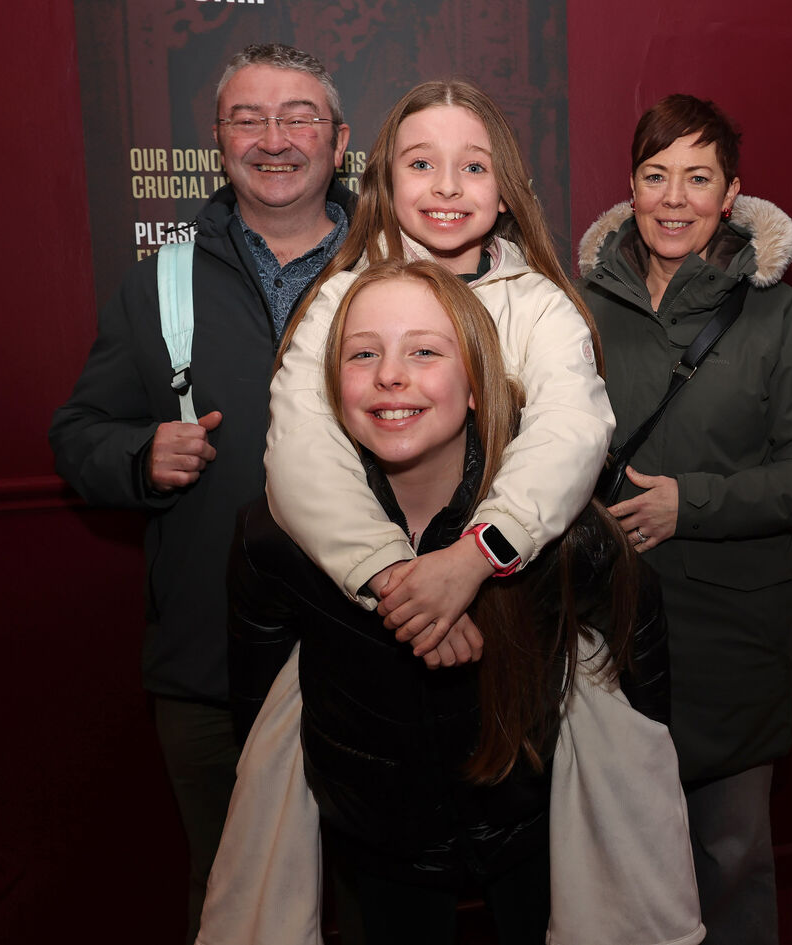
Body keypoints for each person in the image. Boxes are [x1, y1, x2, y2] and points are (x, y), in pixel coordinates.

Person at [208, 259, 698, 945]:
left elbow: (637, 656)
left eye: (425, 351)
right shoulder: (274, 537)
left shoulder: (562, 533)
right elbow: (260, 706)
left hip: (533, 832)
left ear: (475, 385)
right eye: (364, 353)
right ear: (331, 387)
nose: (390, 375)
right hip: (379, 844)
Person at [48, 44, 354, 944]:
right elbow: (78, 434)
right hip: (207, 662)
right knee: (234, 900)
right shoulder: (159, 281)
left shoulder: (403, 273)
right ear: (217, 140)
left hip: (377, 644)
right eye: (247, 119)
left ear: (338, 141)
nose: (274, 139)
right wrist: (141, 453)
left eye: (298, 116)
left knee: (378, 895)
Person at [578, 94, 792, 945]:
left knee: (730, 856)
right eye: (657, 175)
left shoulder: (775, 312)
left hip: (731, 628)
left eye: (698, 178)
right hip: (604, 623)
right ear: (630, 186)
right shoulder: (579, 305)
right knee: (611, 860)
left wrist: (686, 502)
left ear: (730, 193)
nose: (674, 198)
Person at [264, 79, 615, 669]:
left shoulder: (541, 306)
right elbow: (301, 444)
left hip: (521, 624)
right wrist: (395, 576)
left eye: (473, 167)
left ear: (505, 192)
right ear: (386, 183)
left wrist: (472, 560)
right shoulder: (339, 300)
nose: (447, 186)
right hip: (358, 633)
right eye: (421, 163)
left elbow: (571, 431)